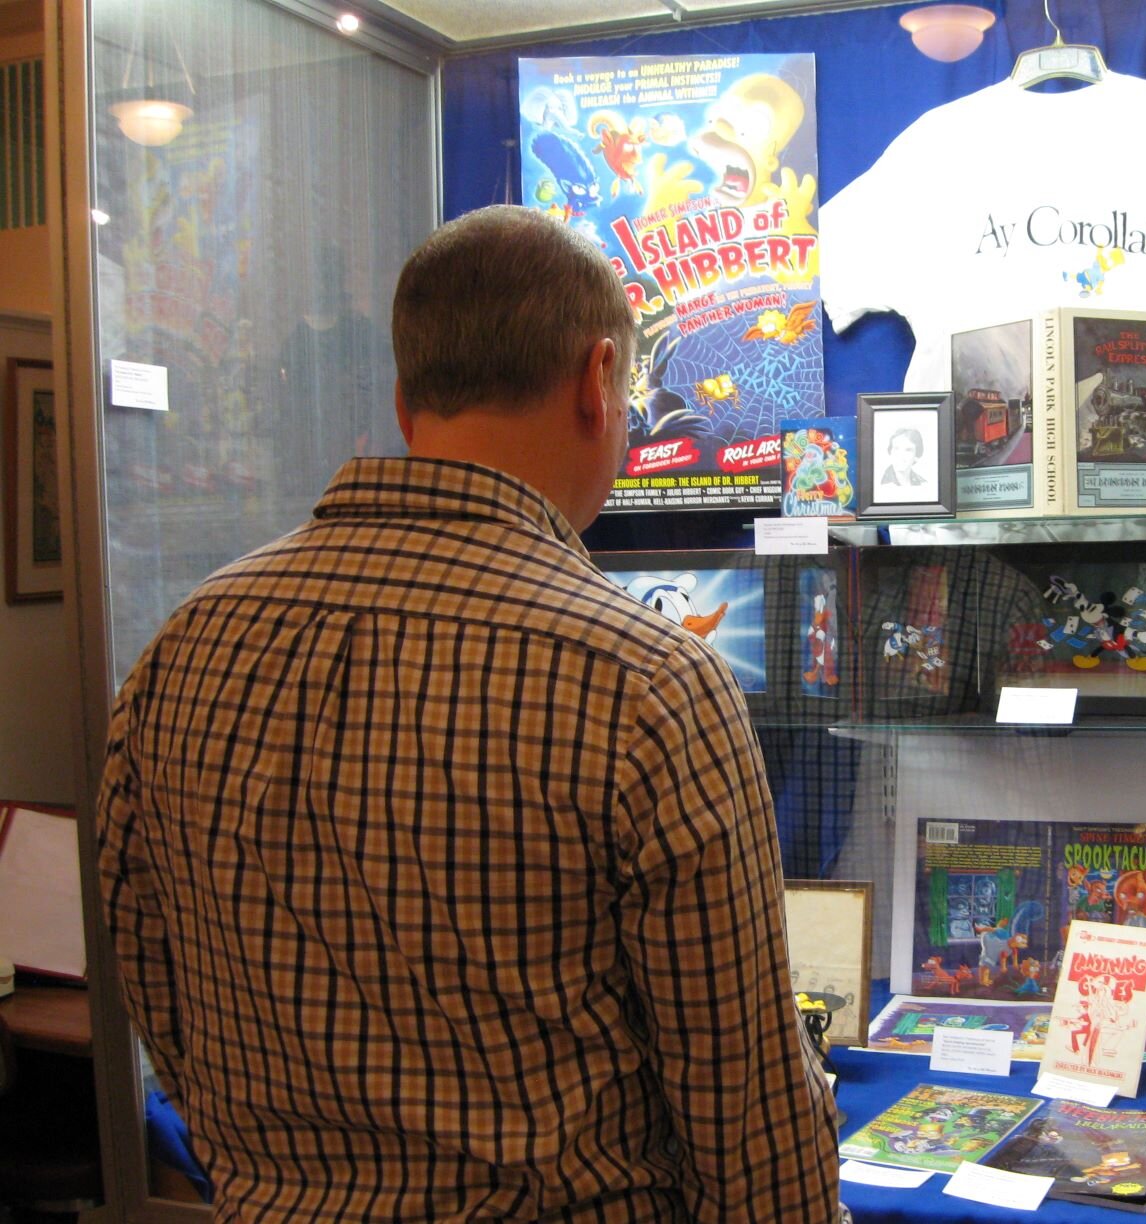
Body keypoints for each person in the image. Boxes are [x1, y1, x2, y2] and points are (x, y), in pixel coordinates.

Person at [98, 205, 842, 1222]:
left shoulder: (184, 644)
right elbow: (748, 1121)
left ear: (408, 400)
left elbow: (154, 989)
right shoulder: (648, 682)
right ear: (598, 383)